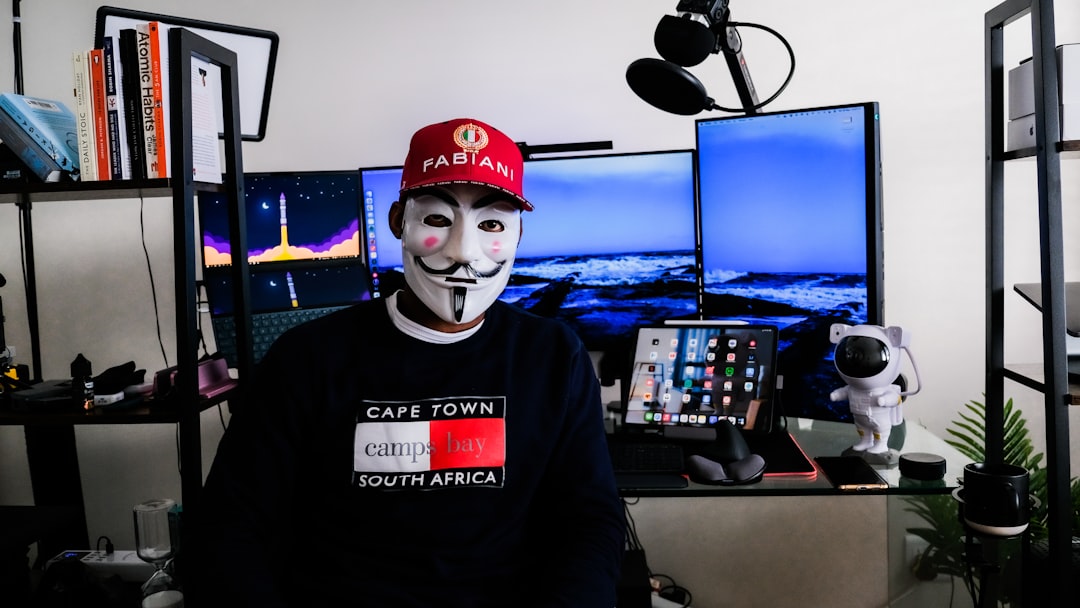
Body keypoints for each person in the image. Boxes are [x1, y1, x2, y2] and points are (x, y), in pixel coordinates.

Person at [192, 118, 626, 607]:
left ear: (519, 234)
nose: (463, 253)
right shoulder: (305, 359)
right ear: (399, 220)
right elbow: (232, 524)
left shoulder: (555, 357)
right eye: (438, 220)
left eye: (491, 225)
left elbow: (590, 518)